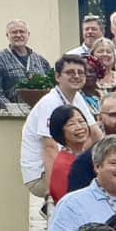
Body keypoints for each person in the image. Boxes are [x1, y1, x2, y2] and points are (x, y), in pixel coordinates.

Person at [19, 55, 98, 196]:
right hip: (41, 175)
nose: (76, 76)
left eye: (80, 72)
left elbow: (96, 134)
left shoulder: (77, 97)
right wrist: (54, 194)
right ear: (57, 76)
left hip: (67, 163)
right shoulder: (50, 103)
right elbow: (50, 148)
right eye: (70, 72)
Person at [0, 18, 53, 108]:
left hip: (40, 110)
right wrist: (11, 108)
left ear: (28, 35)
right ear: (7, 35)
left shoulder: (41, 60)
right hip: (14, 113)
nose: (18, 35)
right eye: (14, 32)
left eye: (22, 32)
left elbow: (52, 86)